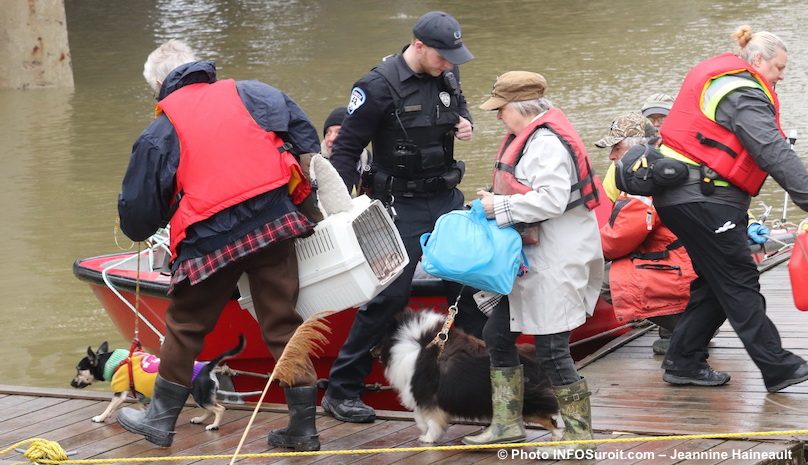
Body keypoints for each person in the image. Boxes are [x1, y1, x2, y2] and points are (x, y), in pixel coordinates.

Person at [115, 39, 323, 451]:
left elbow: (137, 218)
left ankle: (159, 421)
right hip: (275, 221)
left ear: (160, 84)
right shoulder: (254, 92)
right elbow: (305, 140)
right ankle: (303, 429)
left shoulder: (161, 130)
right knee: (283, 323)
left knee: (186, 325)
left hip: (210, 238)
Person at [321, 11, 476, 423]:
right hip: (398, 205)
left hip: (445, 197)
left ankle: (475, 380)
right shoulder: (376, 86)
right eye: (443, 56)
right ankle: (341, 391)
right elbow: (346, 150)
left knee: (468, 287)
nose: (450, 63)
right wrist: (340, 208)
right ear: (419, 46)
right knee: (389, 296)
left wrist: (465, 124)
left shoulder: (448, 72)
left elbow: (458, 107)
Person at [655, 25, 808, 392]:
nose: (782, 76)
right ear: (758, 60)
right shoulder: (741, 90)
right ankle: (779, 366)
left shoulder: (730, 82)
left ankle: (683, 361)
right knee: (739, 278)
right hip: (701, 197)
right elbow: (771, 149)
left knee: (716, 282)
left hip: (694, 197)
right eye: (779, 68)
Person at [465, 71, 603, 451]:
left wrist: (499, 204)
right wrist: (495, 200)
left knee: (553, 349)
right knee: (497, 335)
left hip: (556, 258)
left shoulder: (546, 144)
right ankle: (508, 424)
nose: (497, 117)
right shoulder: (528, 138)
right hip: (529, 259)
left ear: (522, 108)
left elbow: (553, 199)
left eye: (501, 109)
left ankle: (580, 439)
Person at [596, 113, 696, 355]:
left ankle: (689, 332)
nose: (611, 157)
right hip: (693, 262)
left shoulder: (643, 177)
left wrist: (577, 250)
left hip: (681, 268)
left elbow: (615, 242)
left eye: (616, 148)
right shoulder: (669, 163)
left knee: (599, 279)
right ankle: (681, 327)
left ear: (637, 146)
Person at [594, 112, 648, 203]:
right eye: (612, 148)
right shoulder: (616, 168)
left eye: (618, 149)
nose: (611, 156)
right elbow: (607, 204)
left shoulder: (665, 173)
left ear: (639, 147)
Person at [320, 106, 371, 192]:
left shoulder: (371, 164)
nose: (331, 138)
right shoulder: (313, 168)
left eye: (339, 132)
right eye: (328, 133)